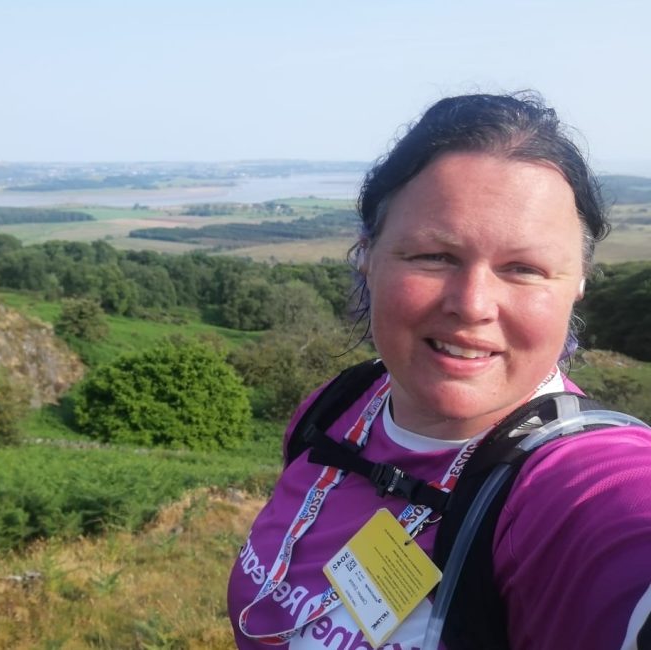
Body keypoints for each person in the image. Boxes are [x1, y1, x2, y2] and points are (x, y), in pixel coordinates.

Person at [227, 92, 651, 650]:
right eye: (434, 256)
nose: (473, 305)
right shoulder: (337, 408)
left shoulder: (582, 485)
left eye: (524, 268)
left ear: (578, 283)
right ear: (367, 255)